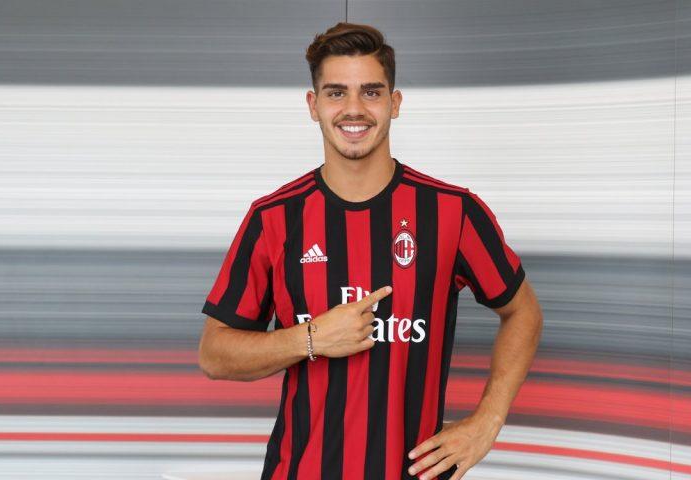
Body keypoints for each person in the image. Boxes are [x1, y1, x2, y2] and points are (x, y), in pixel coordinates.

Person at [198, 21, 543, 480]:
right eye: (336, 93)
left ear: (394, 103)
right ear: (314, 105)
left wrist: (487, 422)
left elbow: (523, 312)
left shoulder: (452, 211)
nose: (354, 109)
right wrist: (312, 339)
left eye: (371, 92)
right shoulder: (274, 218)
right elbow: (214, 354)